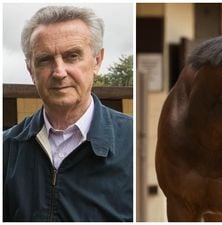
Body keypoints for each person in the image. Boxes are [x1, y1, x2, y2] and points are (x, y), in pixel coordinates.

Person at [3, 6, 133, 221]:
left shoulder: (135, 145)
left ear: (97, 61)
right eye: (44, 60)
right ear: (30, 70)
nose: (59, 72)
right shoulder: (7, 151)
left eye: (72, 56)